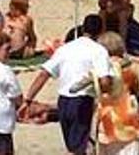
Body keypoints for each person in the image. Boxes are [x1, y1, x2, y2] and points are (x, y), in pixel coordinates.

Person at [21, 14, 114, 155]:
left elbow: (43, 74)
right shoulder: (99, 51)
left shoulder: (65, 49)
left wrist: (28, 99)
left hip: (63, 102)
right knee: (78, 148)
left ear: (83, 28)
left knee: (73, 145)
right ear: (102, 31)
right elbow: (105, 81)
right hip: (82, 100)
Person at [95, 31, 139, 155]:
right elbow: (136, 90)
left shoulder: (99, 68)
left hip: (107, 113)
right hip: (127, 110)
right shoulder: (129, 67)